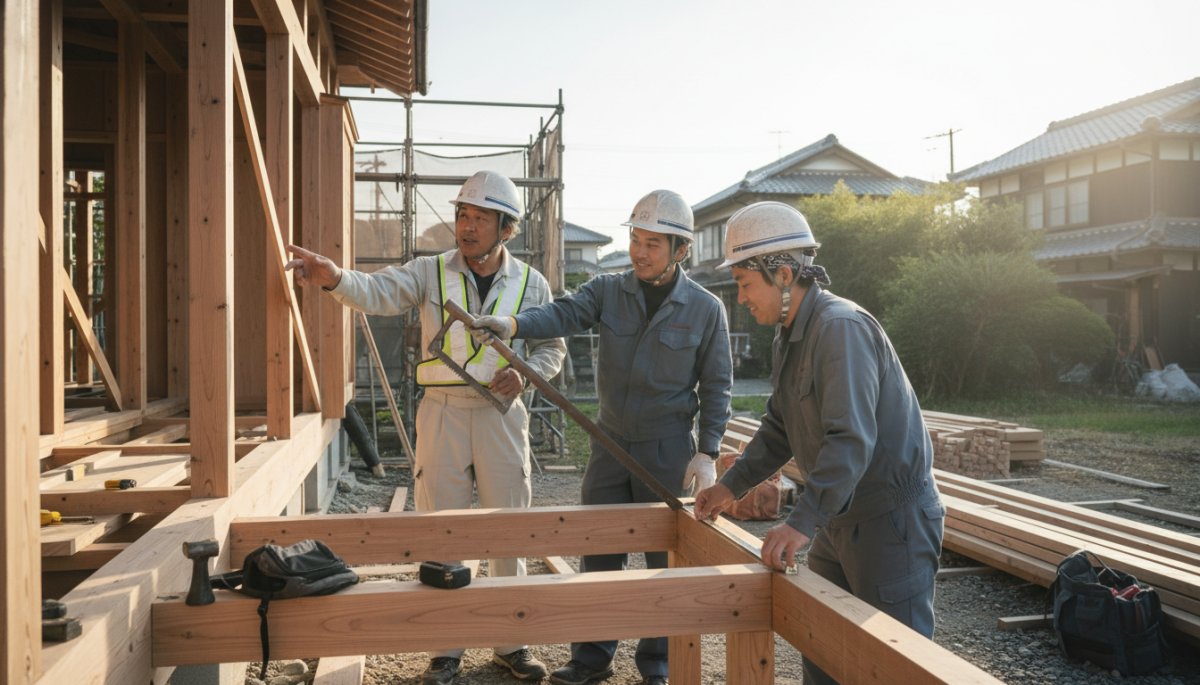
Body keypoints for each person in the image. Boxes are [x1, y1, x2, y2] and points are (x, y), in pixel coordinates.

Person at [286, 170, 565, 685]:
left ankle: (511, 642)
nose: (467, 225)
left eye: (481, 217)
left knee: (507, 526)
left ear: (506, 227)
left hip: (502, 415)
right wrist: (332, 277)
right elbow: (377, 291)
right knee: (442, 527)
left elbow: (552, 346)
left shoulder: (532, 283)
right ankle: (445, 650)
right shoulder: (430, 271)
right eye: (463, 214)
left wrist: (526, 375)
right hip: (442, 411)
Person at [471, 189, 733, 685]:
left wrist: (707, 453)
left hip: (667, 448)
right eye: (636, 239)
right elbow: (563, 314)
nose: (639, 251)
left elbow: (717, 385)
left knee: (664, 564)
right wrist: (512, 323)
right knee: (598, 555)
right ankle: (592, 658)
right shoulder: (609, 289)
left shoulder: (704, 308)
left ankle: (659, 663)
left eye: (653, 244)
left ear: (681, 251)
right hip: (608, 443)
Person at [692, 201, 945, 685]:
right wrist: (730, 487)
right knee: (824, 649)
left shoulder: (839, 329)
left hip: (890, 523)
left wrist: (801, 523)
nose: (741, 298)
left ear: (784, 274)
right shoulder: (788, 335)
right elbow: (779, 427)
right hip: (841, 516)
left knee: (896, 665)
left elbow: (850, 439)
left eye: (745, 284)